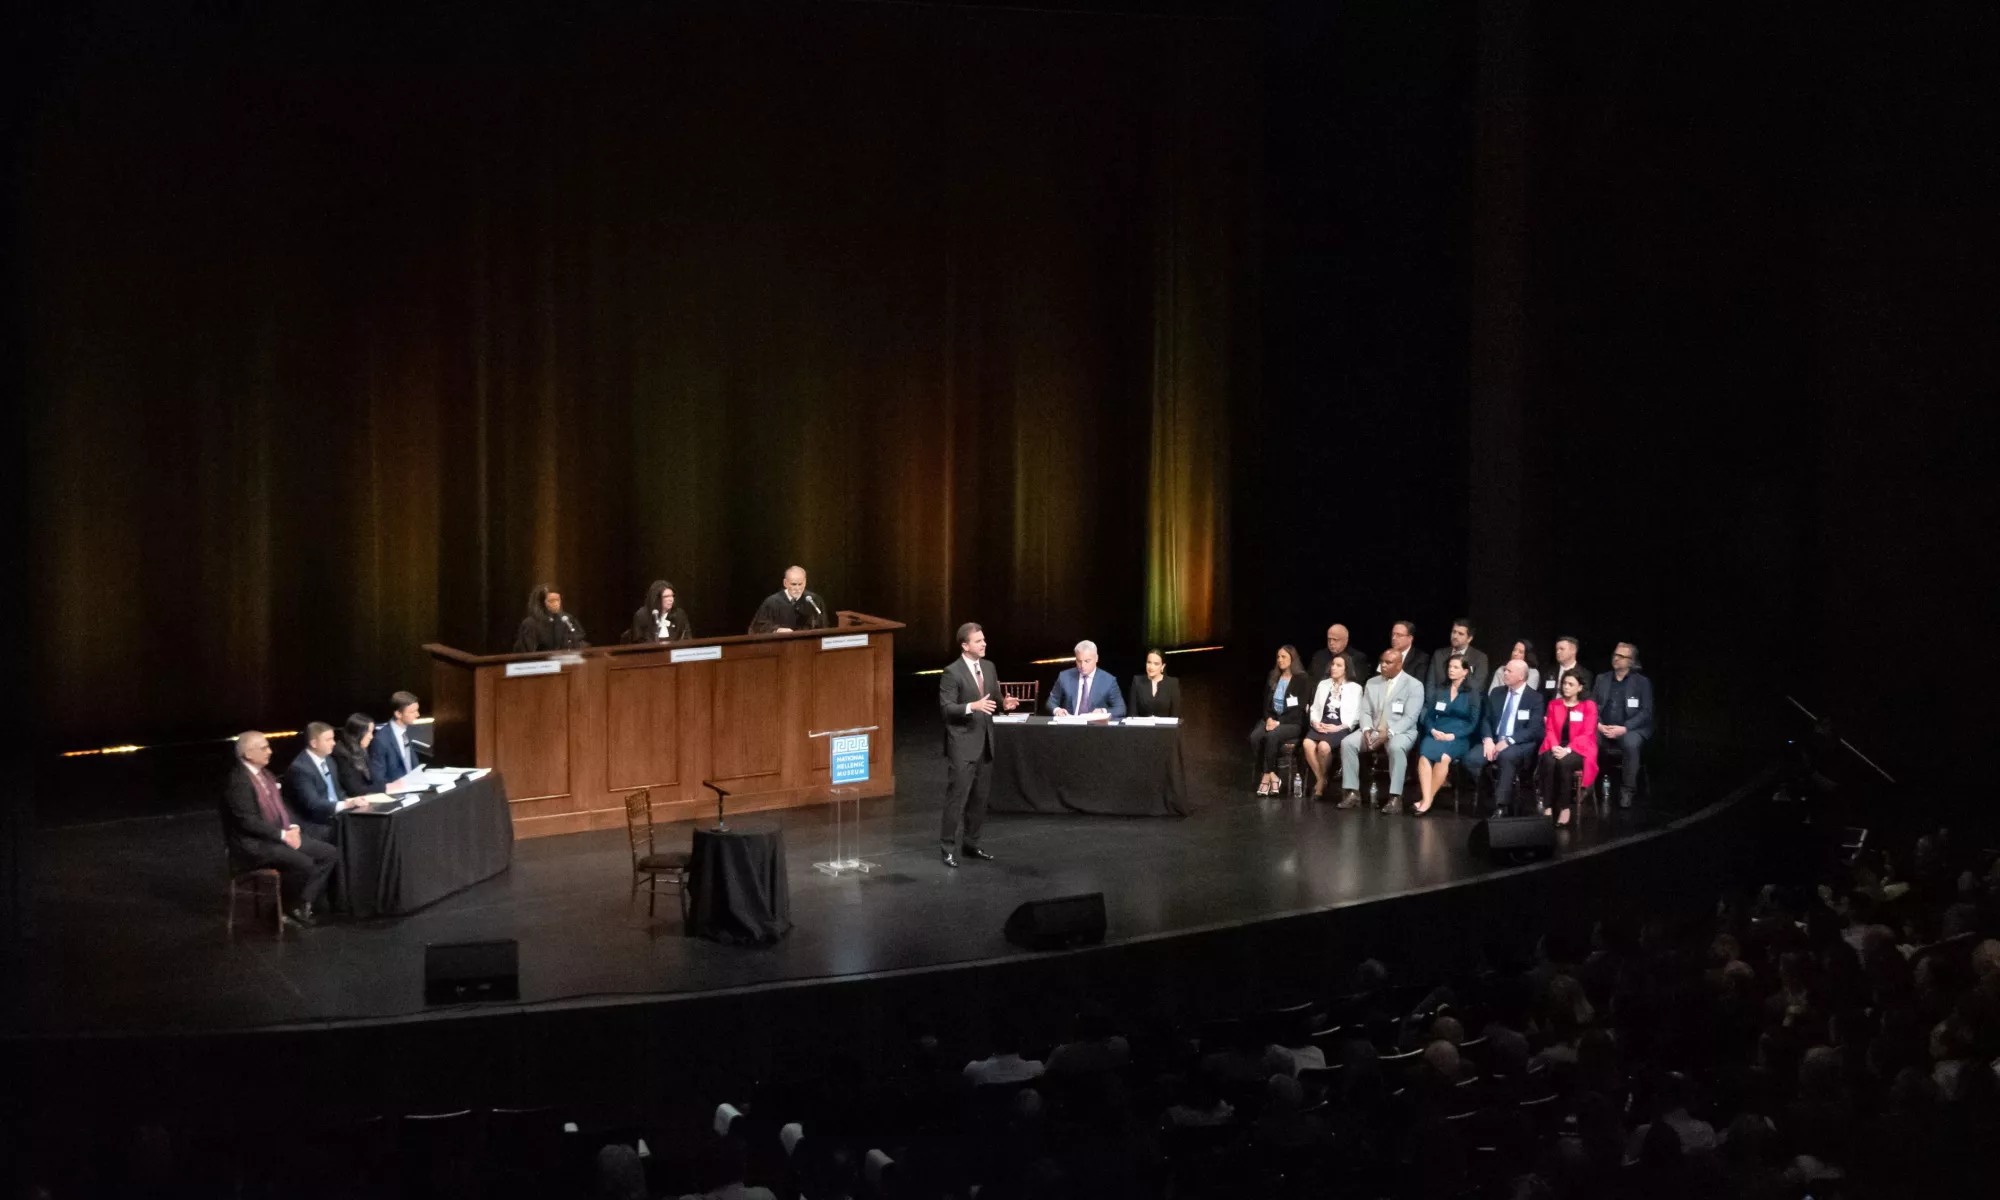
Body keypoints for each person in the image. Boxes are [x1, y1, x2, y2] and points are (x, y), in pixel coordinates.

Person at [220, 730, 338, 927]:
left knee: (329, 853)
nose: (270, 751)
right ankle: (285, 908)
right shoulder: (238, 782)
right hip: (253, 846)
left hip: (275, 836)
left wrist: (291, 827)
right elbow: (249, 822)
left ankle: (300, 904)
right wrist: (283, 835)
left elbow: (280, 807)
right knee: (304, 863)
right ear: (248, 754)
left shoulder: (266, 774)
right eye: (264, 748)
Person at [937, 622, 1018, 868]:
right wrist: (973, 706)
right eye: (978, 641)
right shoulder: (952, 672)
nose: (984, 644)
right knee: (957, 798)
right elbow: (947, 709)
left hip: (985, 743)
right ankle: (947, 848)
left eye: (984, 639)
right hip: (963, 745)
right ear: (965, 645)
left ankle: (971, 843)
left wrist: (1005, 703)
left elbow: (993, 697)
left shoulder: (989, 667)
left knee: (979, 799)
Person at [1339, 649, 1425, 810]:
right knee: (1347, 743)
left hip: (1401, 731)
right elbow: (1365, 711)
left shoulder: (1414, 685)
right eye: (1382, 661)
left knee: (1395, 747)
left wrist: (1390, 732)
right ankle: (1352, 793)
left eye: (1388, 662)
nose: (1383, 665)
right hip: (1374, 728)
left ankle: (1395, 797)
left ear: (1399, 664)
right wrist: (1365, 729)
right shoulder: (1372, 682)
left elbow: (1410, 717)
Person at [1474, 660, 1546, 814]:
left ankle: (1501, 806)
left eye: (1509, 671)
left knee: (1506, 756)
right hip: (1494, 740)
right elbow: (1486, 719)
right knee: (1472, 759)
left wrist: (1508, 741)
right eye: (1505, 670)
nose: (1504, 673)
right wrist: (1487, 739)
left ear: (1521, 676)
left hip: (1520, 743)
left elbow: (1534, 729)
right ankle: (1485, 800)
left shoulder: (1534, 698)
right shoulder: (1496, 693)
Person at [1414, 653, 1482, 815]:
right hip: (1437, 732)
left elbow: (1473, 723)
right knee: (1424, 756)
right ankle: (1427, 799)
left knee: (1443, 758)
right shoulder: (1441, 690)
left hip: (1458, 736)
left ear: (1465, 671)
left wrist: (1454, 735)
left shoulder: (1472, 693)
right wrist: (1432, 730)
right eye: (1450, 667)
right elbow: (1429, 716)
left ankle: (1426, 801)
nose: (1451, 670)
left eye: (1456, 667)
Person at [1592, 641, 1654, 808]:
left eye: (1621, 656)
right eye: (1615, 655)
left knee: (1631, 743)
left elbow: (1646, 712)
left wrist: (1624, 728)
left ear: (1631, 661)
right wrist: (1598, 724)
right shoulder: (1602, 679)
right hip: (1603, 727)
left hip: (1630, 728)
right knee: (1589, 740)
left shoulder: (1642, 682)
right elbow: (1591, 706)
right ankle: (1588, 786)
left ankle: (1628, 790)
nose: (1616, 659)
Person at [283, 721, 361, 840]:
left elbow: (338, 791)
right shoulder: (300, 768)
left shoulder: (329, 760)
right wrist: (346, 804)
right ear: (314, 743)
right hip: (315, 822)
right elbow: (313, 804)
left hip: (336, 814)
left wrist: (351, 802)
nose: (334, 743)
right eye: (328, 740)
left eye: (333, 738)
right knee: (354, 832)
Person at [1540, 669, 1600, 826]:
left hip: (1580, 748)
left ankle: (1565, 807)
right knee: (1548, 760)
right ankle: (1547, 807)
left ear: (1580, 687)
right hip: (1556, 745)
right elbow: (1550, 729)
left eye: (1570, 684)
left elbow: (1587, 733)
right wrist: (1554, 746)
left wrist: (1568, 749)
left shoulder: (1588, 706)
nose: (1566, 687)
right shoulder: (1554, 704)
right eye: (1564, 683)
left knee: (1563, 762)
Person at [1250, 645, 1308, 795]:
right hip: (1272, 718)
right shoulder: (1273, 676)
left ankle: (1265, 777)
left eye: (1284, 657)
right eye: (1278, 657)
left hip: (1292, 722)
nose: (1280, 660)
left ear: (1292, 659)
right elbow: (1265, 704)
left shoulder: (1302, 679)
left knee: (1272, 735)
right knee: (1255, 737)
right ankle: (1273, 775)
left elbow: (1299, 708)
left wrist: (1279, 723)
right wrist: (1269, 718)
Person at [1302, 653, 1362, 799]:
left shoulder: (1355, 688)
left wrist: (1339, 727)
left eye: (1338, 665)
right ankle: (1322, 779)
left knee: (1323, 747)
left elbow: (1356, 714)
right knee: (1307, 743)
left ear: (1346, 669)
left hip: (1340, 726)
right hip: (1322, 723)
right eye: (1333, 664)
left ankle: (1321, 782)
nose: (1333, 668)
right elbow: (1315, 708)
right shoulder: (1323, 684)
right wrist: (1315, 722)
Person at [1048, 640, 1126, 718]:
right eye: (1079, 661)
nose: (1082, 665)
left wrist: (1103, 711)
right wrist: (1057, 710)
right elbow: (1051, 701)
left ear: (1096, 658)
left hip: (1094, 727)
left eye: (1087, 661)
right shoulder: (1064, 677)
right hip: (1069, 725)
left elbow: (1121, 709)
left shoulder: (1108, 680)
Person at [749, 565, 831, 634]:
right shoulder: (772, 602)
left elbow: (823, 626)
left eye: (800, 584)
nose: (797, 588)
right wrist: (776, 630)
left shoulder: (814, 600)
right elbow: (757, 627)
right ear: (785, 583)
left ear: (805, 582)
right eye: (793, 584)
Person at [369, 690, 424, 783]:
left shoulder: (409, 731)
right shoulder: (381, 739)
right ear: (398, 714)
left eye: (417, 710)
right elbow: (378, 778)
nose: (417, 715)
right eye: (412, 712)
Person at [513, 583, 586, 652]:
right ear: (541, 603)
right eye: (551, 601)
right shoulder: (530, 624)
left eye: (558, 600)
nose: (556, 604)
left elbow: (579, 640)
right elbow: (528, 651)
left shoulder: (567, 620)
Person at [1427, 618, 1489, 694]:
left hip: (1463, 703)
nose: (1455, 636)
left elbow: (1477, 687)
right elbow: (1430, 684)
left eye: (1460, 634)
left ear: (1469, 638)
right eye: (1454, 632)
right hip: (1437, 702)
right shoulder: (1439, 654)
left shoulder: (1480, 658)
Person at [629, 579, 694, 643]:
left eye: (672, 596)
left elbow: (687, 638)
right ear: (656, 598)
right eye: (666, 596)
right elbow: (637, 642)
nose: (671, 599)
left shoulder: (679, 614)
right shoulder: (641, 616)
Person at [330, 713, 376, 796]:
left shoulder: (362, 748)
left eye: (372, 732)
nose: (371, 737)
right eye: (368, 732)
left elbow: (372, 778)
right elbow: (355, 790)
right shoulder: (342, 754)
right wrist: (383, 787)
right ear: (357, 733)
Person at [1307, 623, 1366, 687]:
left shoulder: (1357, 657)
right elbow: (1311, 680)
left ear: (1346, 640)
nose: (1331, 643)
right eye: (1329, 639)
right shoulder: (1319, 656)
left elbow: (1356, 682)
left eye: (1335, 639)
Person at [1129, 648, 1182, 718]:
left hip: (1165, 728)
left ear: (1162, 666)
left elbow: (1176, 715)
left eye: (1156, 664)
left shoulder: (1172, 683)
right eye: (1149, 662)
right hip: (1142, 728)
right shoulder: (1137, 681)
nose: (1151, 667)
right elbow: (1132, 714)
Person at [1388, 620, 1430, 685]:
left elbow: (1417, 684)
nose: (1394, 638)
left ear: (1410, 638)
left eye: (1399, 635)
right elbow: (1377, 678)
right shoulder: (1386, 655)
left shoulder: (1421, 658)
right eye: (1393, 634)